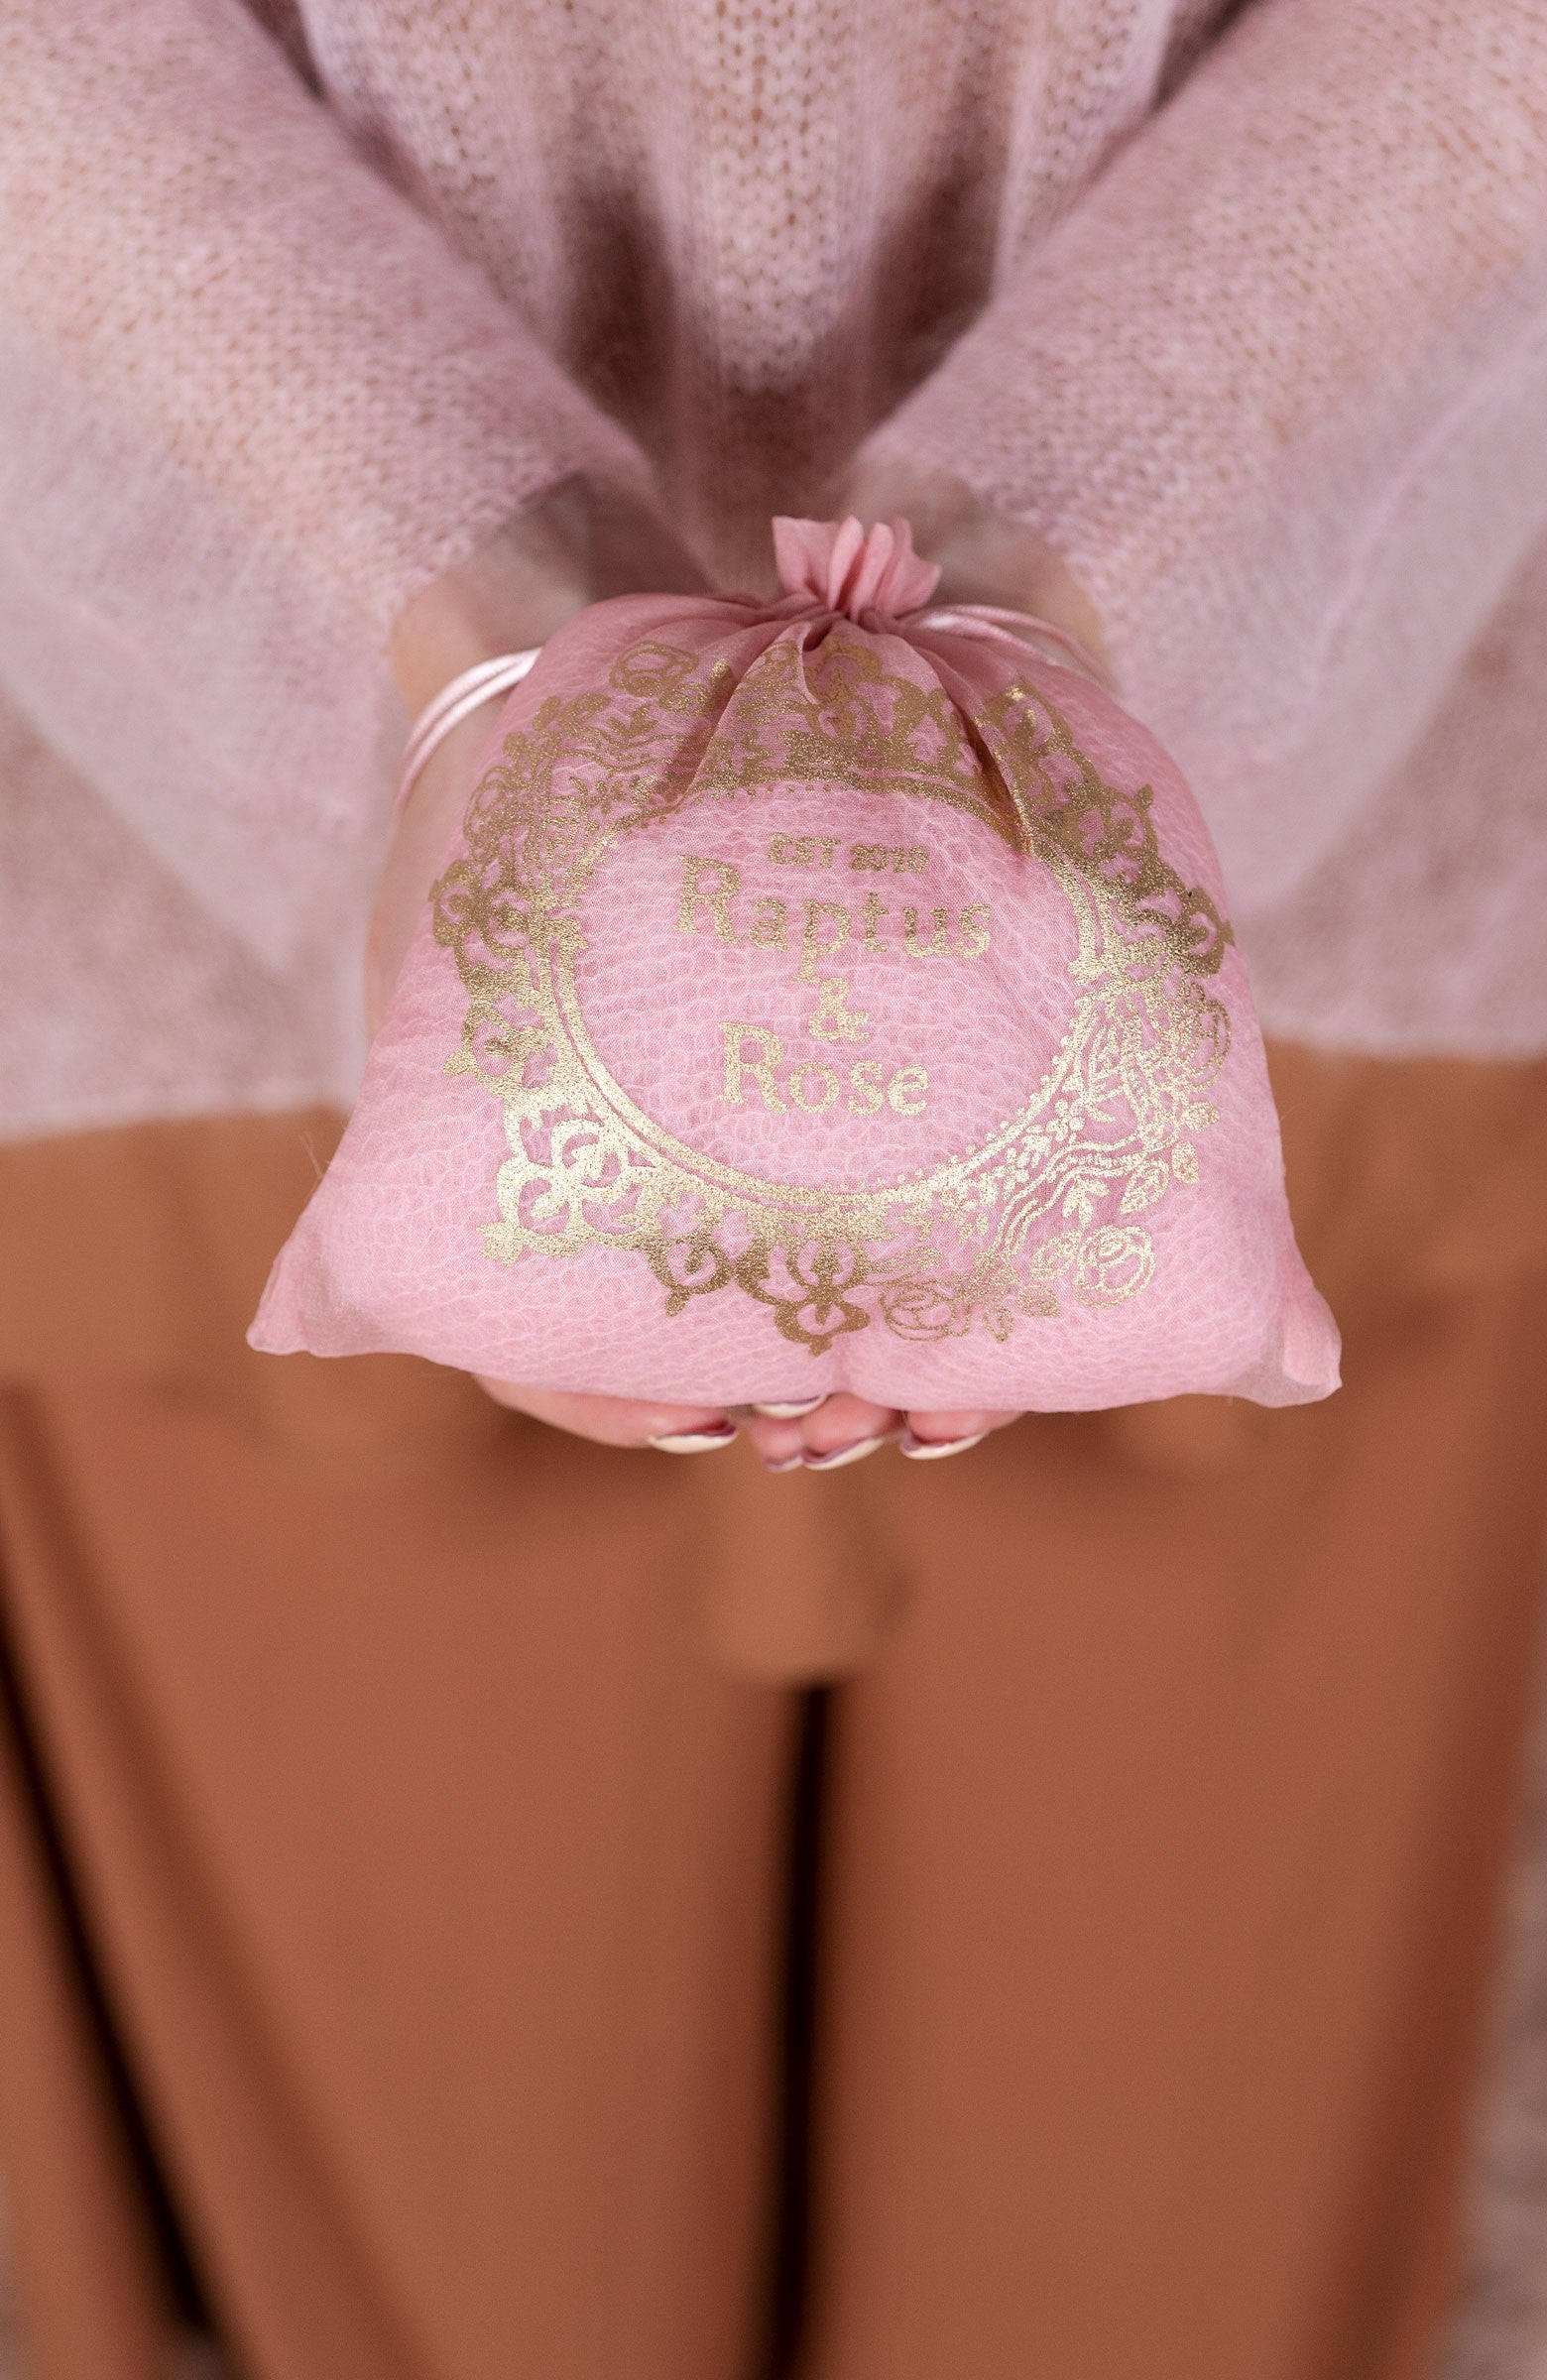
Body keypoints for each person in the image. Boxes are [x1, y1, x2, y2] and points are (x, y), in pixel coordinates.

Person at [2, 4, 1547, 2374]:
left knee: (1160, 2134)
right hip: (202, 756)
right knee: (460, 2125)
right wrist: (444, 578)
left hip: (1332, 680)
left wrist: (1072, 537)